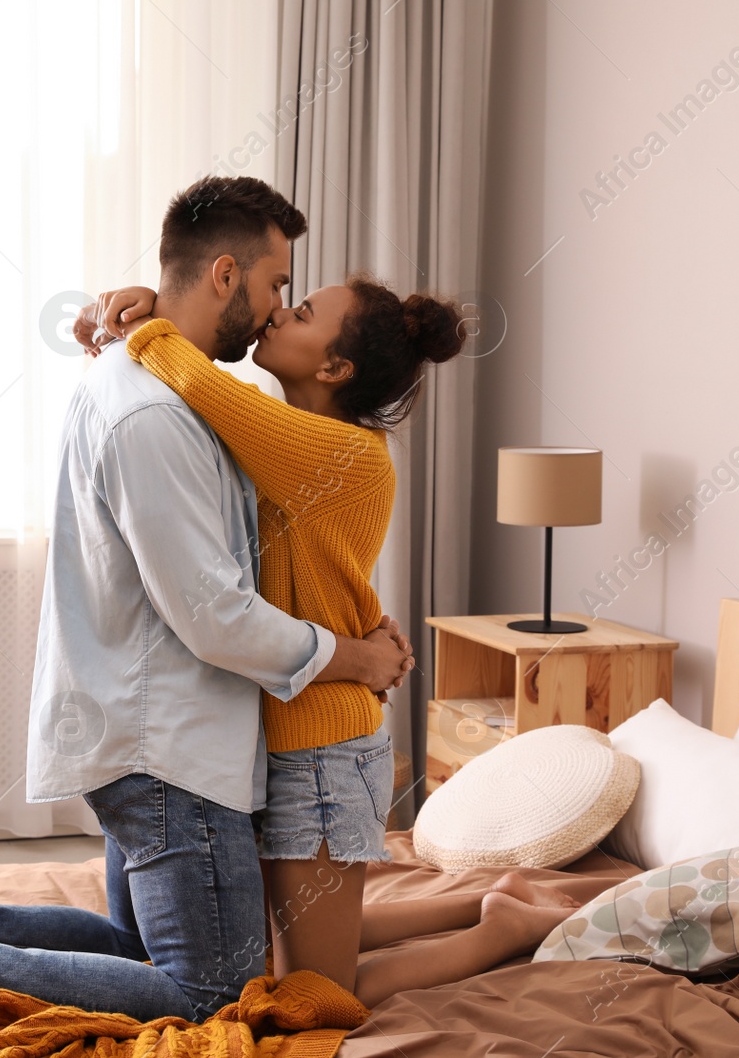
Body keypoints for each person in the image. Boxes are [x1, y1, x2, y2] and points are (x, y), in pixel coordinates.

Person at [0, 176, 415, 1021]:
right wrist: (349, 655)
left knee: (142, 954)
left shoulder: (167, 388)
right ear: (226, 275)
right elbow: (214, 615)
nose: (279, 306)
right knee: (214, 994)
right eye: (278, 284)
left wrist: (137, 316)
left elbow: (290, 505)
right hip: (172, 750)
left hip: (151, 739)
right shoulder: (155, 414)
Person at [68, 266, 550, 1009]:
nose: (275, 317)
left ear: (333, 367)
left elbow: (200, 383)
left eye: (299, 313)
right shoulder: (284, 433)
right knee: (279, 940)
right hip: (280, 733)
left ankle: (497, 932)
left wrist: (149, 316)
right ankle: (474, 902)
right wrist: (141, 301)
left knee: (309, 992)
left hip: (322, 749)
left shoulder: (342, 455)